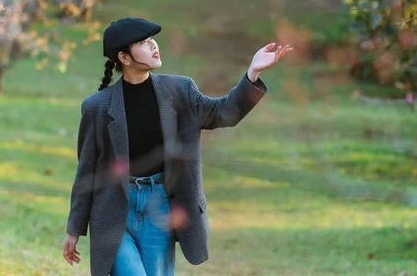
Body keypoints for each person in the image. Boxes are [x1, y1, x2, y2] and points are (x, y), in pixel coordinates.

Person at [62, 17, 292, 276]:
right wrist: (74, 229)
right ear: (124, 58)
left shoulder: (180, 90)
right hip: (113, 210)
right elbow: (87, 171)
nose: (153, 45)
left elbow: (223, 112)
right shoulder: (97, 107)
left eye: (152, 39)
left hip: (159, 206)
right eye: (143, 42)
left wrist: (253, 73)